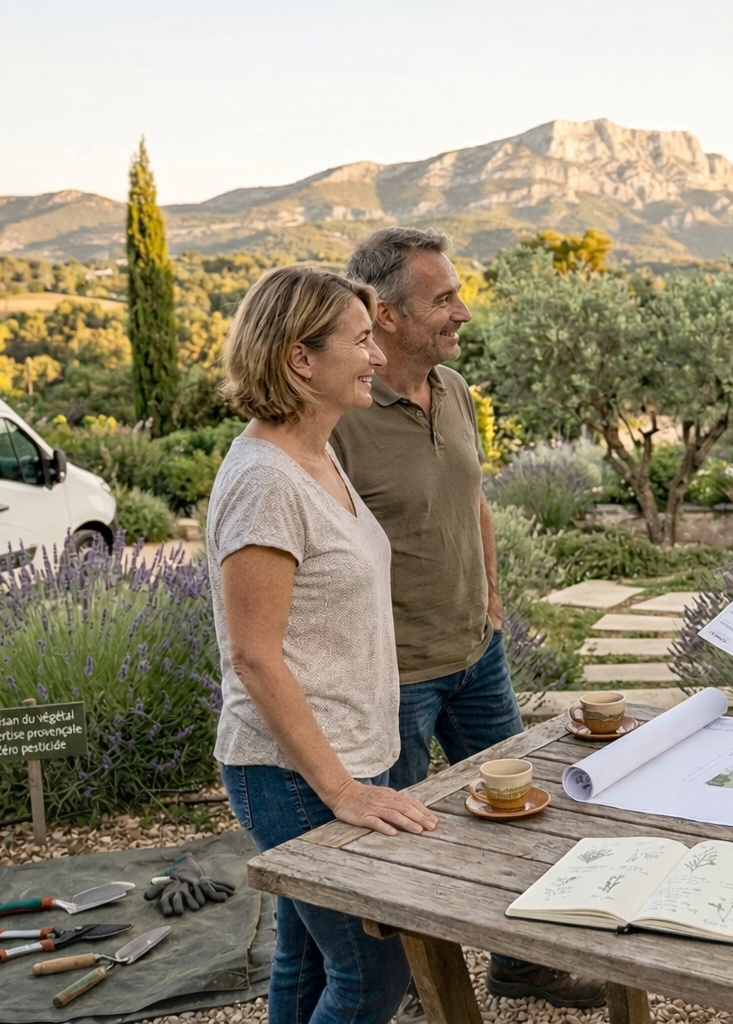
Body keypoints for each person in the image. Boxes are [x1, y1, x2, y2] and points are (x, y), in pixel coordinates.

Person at [331, 227, 605, 1011]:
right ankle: (425, 992)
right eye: (443, 298)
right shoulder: (342, 415)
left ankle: (523, 964)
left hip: (476, 655)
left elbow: (472, 496)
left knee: (525, 816)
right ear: (384, 315)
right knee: (408, 847)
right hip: (397, 676)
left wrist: (489, 594)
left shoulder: (453, 391)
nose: (463, 311)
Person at [209, 264, 438, 1024]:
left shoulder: (318, 450)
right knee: (373, 973)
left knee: (307, 959)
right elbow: (254, 656)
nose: (378, 356)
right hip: (293, 773)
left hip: (341, 754)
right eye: (362, 340)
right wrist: (338, 789)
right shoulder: (266, 481)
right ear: (300, 359)